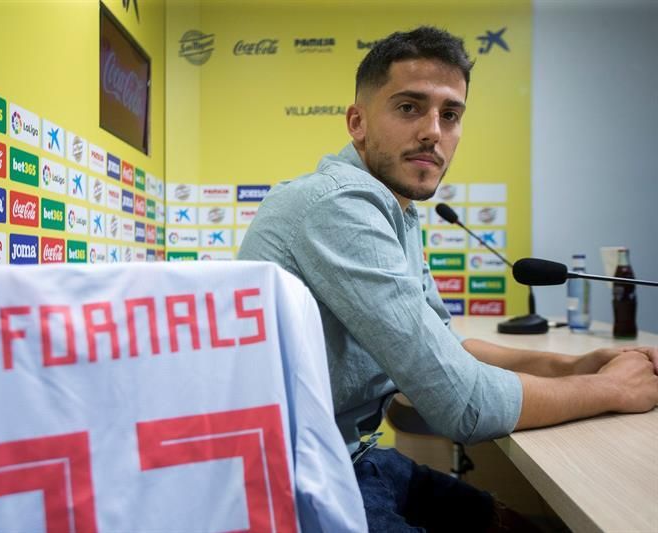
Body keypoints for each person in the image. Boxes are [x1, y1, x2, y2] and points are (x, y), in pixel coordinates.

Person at [238, 26, 658, 531]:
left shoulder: (396, 209)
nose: (433, 132)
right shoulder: (338, 205)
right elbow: (464, 404)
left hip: (348, 456)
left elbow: (446, 347)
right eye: (409, 107)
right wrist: (610, 390)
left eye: (450, 114)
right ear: (357, 122)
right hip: (294, 477)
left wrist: (572, 366)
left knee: (515, 525)